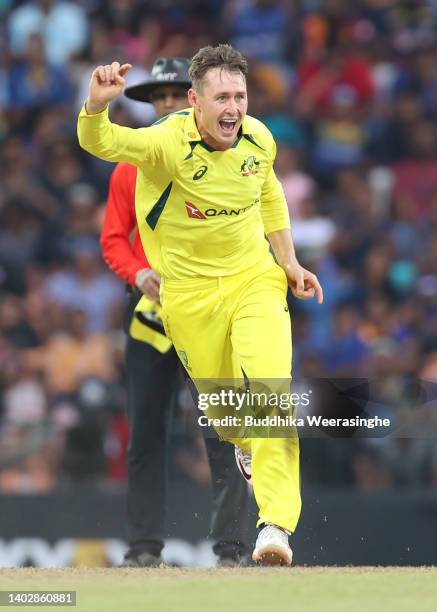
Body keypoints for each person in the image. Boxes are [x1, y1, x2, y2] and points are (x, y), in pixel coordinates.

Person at [78, 44, 323, 567]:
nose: (233, 108)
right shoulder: (166, 142)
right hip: (186, 297)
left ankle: (274, 526)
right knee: (228, 416)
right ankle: (243, 443)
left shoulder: (259, 137)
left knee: (270, 389)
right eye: (222, 98)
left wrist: (289, 262)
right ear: (195, 101)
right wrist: (96, 106)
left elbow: (270, 193)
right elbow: (101, 142)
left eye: (240, 95)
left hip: (254, 280)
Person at [100, 57, 249, 567]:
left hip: (207, 312)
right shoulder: (131, 167)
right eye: (156, 98)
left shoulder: (225, 164)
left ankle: (232, 548)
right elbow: (113, 240)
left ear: (191, 101)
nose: (165, 105)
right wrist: (140, 274)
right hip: (148, 317)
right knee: (145, 433)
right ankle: (143, 550)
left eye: (173, 96)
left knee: (223, 427)